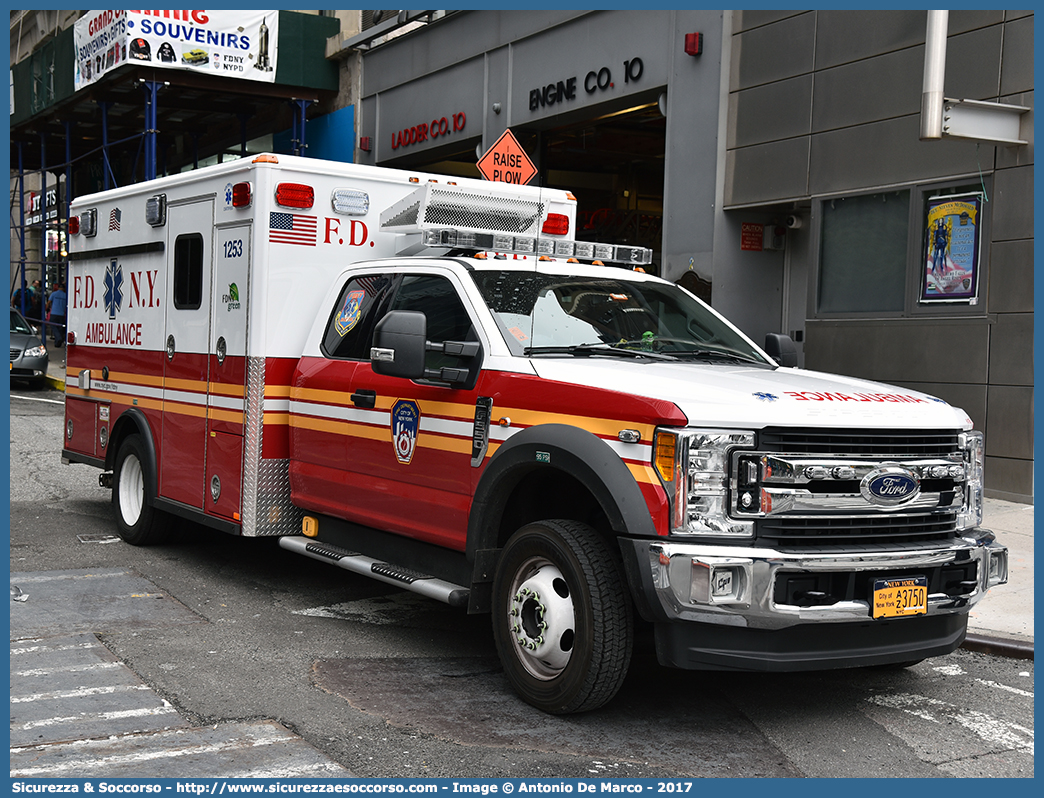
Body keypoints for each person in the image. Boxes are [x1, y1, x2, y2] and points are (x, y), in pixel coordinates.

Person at [47, 282, 67, 347]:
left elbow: (49, 302)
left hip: (54, 313)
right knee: (60, 328)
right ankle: (57, 343)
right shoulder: (65, 295)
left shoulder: (54, 294)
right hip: (61, 314)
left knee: (53, 326)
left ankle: (58, 338)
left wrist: (46, 309)